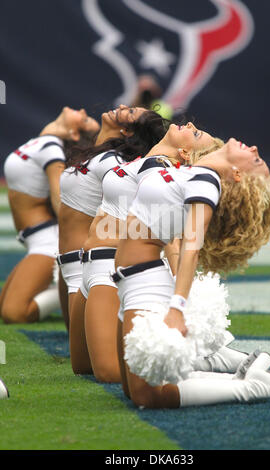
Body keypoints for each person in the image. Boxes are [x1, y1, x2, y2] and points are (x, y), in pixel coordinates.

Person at [112, 125, 270, 408]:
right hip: (129, 280)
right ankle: (240, 375)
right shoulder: (191, 170)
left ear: (237, 174)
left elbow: (191, 246)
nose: (256, 149)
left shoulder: (206, 180)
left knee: (147, 396)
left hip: (145, 281)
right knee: (131, 389)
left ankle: (256, 387)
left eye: (256, 160)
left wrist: (176, 308)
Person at [69, 122, 225, 382]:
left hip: (109, 270)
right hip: (90, 265)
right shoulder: (147, 160)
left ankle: (214, 364)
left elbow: (172, 239)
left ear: (185, 153)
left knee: (109, 373)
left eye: (195, 133)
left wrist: (183, 294)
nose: (190, 124)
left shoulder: (164, 169)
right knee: (81, 367)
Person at [58, 104, 171, 337]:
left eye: (129, 113)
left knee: (107, 368)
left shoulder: (113, 162)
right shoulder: (98, 153)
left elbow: (136, 200)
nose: (121, 106)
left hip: (90, 264)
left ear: (128, 132)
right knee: (82, 366)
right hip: (71, 263)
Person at [0, 107, 99, 324]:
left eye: (83, 119)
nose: (82, 110)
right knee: (2, 305)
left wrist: (69, 240)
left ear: (74, 134)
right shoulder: (43, 143)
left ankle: (72, 290)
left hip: (48, 243)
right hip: (37, 240)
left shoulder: (52, 150)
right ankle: (66, 286)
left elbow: (60, 198)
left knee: (13, 313)